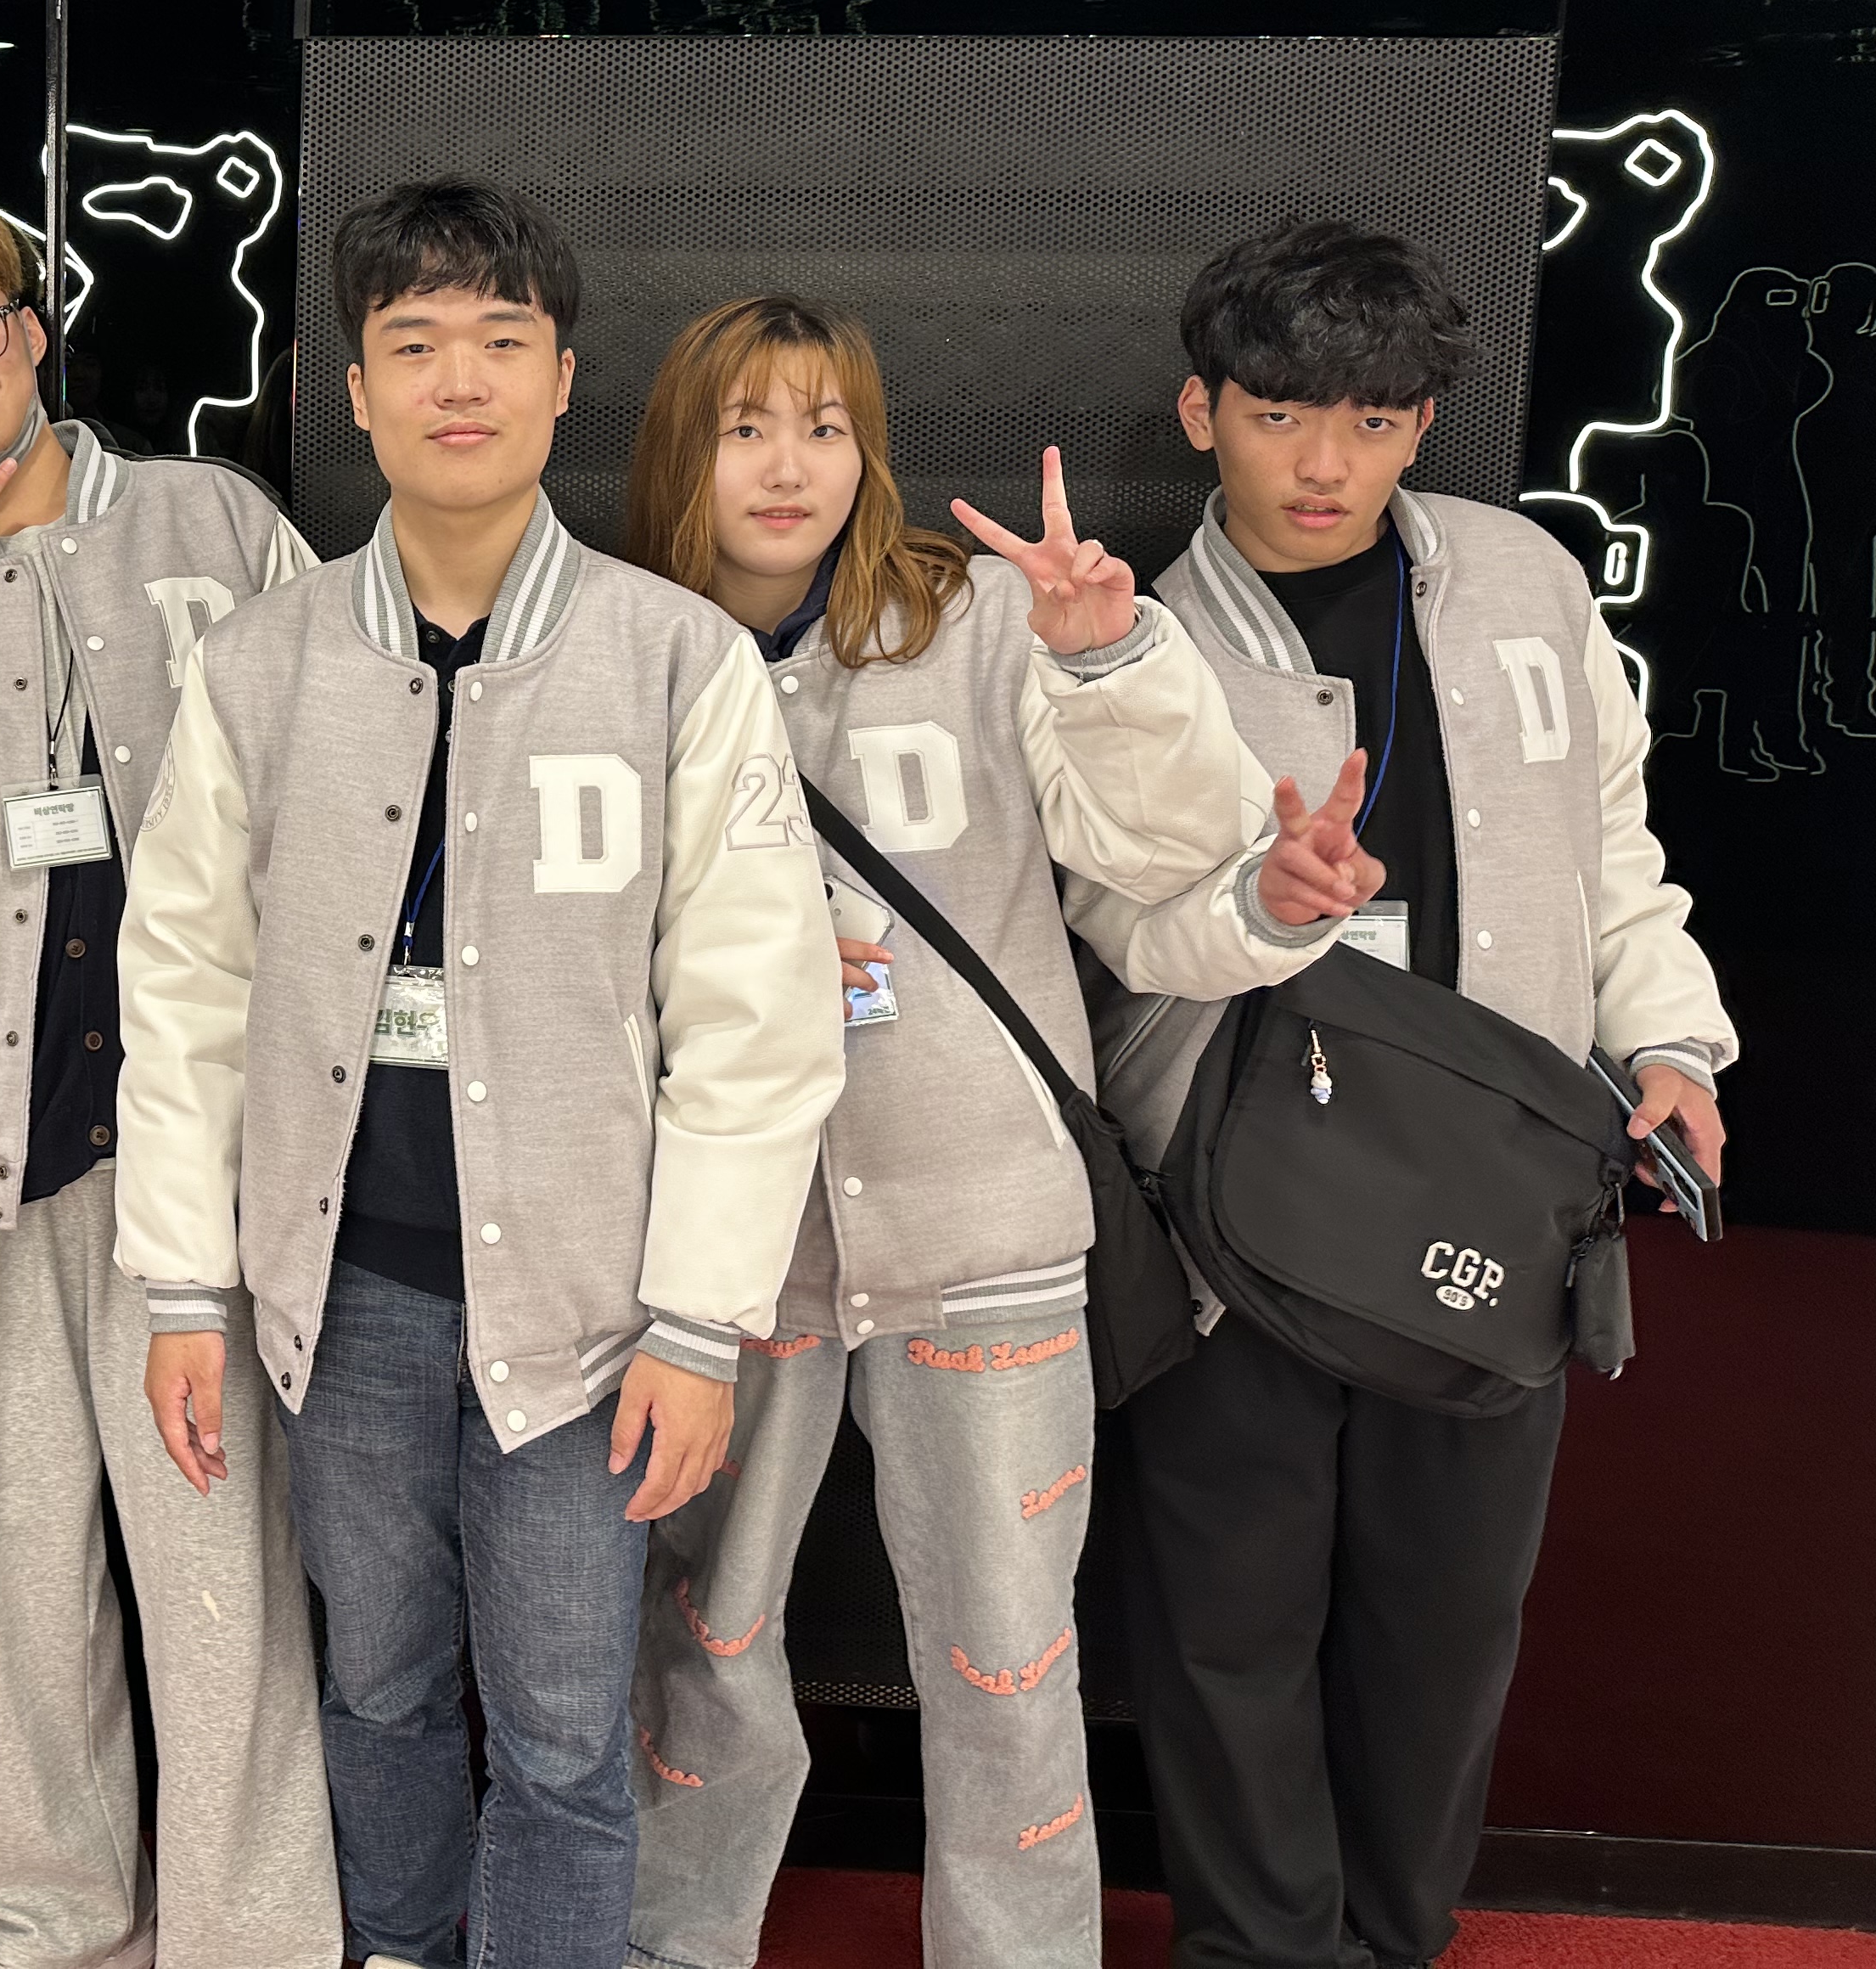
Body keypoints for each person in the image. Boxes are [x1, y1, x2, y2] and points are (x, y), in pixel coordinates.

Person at [115, 179, 848, 1969]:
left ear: (562, 376)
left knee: (566, 1731)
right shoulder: (261, 663)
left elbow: (754, 1015)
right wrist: (184, 1284)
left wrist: (698, 1322)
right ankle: (400, 1945)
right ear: (353, 388)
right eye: (416, 343)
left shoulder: (673, 658)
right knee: (373, 1684)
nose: (462, 379)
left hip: (587, 1312)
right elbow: (187, 984)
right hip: (342, 1289)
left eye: (502, 341)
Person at [609, 297, 1378, 1969]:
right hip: (725, 1255)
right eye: (747, 426)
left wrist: (1113, 668)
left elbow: (1156, 877)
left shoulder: (966, 626)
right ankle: (672, 1941)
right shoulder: (616, 653)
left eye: (825, 426)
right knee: (700, 1633)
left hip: (985, 1231)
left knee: (1009, 1656)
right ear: (681, 448)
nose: (790, 465)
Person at [1098, 222, 1735, 1969]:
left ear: (1422, 421)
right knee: (1227, 1627)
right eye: (1282, 413)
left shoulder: (1521, 576)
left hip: (1490, 1187)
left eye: (1374, 420)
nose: (1326, 462)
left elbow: (1612, 842)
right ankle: (1259, 1949)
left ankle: (1397, 1937)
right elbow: (1106, 923)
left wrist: (1669, 1041)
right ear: (1202, 409)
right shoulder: (1142, 641)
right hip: (1239, 1197)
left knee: (1447, 1621)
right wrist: (1261, 903)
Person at [0, 188, 336, 1969]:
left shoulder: (209, 517)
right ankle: (47, 1923)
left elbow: (347, 774)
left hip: (196, 1154)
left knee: (216, 1565)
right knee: (5, 1571)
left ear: (31, 329)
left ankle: (249, 1940)